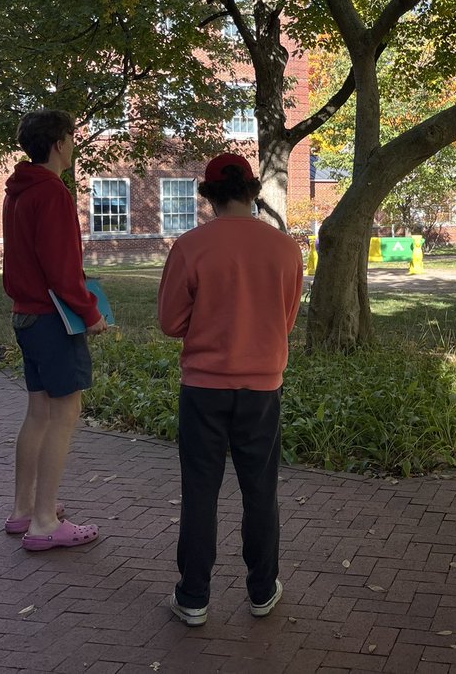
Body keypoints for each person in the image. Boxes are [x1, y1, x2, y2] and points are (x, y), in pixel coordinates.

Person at [158, 152, 304, 626]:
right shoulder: (285, 249)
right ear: (251, 192)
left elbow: (170, 322)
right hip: (263, 386)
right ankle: (263, 588)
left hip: (203, 387)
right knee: (260, 490)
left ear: (210, 195)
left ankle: (194, 596)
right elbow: (285, 320)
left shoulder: (190, 246)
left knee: (200, 491)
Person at [2, 108, 107, 551]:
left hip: (26, 315)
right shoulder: (53, 193)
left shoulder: (17, 192)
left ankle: (24, 509)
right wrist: (91, 313)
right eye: (71, 137)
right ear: (60, 142)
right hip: (53, 319)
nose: (74, 144)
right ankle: (45, 521)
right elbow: (62, 270)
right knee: (65, 413)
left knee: (39, 413)